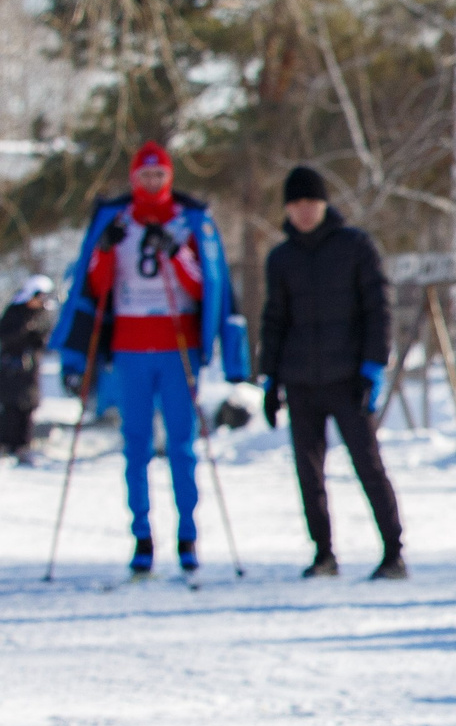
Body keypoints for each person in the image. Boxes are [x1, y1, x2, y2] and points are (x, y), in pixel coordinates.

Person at [51, 143, 251, 575]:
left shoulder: (189, 220)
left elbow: (205, 287)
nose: (152, 183)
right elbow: (95, 286)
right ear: (133, 179)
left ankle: (188, 534)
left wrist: (176, 253)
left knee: (181, 443)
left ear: (170, 177)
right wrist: (104, 249)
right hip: (129, 347)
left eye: (159, 175)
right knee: (135, 444)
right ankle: (141, 534)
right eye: (145, 176)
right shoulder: (116, 219)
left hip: (178, 346)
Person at [261, 166, 405, 580]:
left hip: (348, 380)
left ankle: (393, 552)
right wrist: (270, 380)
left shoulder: (356, 247)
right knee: (309, 473)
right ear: (287, 209)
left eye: (311, 203)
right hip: (300, 382)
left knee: (368, 465)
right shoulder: (280, 258)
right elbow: (274, 321)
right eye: (296, 204)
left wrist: (372, 367)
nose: (304, 212)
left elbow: (378, 309)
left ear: (324, 204)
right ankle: (323, 553)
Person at [2, 275, 55, 465]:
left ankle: (23, 446)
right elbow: (6, 336)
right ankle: (7, 444)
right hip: (11, 367)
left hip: (31, 369)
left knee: (28, 407)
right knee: (11, 407)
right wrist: (25, 329)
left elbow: (44, 338)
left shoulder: (42, 314)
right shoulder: (15, 312)